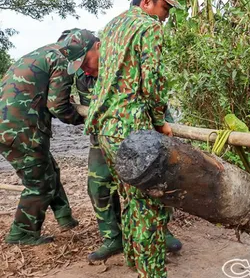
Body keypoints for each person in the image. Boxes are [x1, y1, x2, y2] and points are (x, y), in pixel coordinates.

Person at [84, 0, 189, 278]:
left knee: (129, 199)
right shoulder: (148, 27)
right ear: (147, 2)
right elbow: (153, 81)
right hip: (133, 133)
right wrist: (160, 122)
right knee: (148, 208)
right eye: (165, 8)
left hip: (106, 129)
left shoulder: (113, 25)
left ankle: (135, 259)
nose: (166, 16)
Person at [57, 29, 184, 263]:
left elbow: (154, 95)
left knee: (149, 183)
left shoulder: (124, 65)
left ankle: (160, 232)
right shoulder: (84, 78)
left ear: (98, 46)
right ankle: (112, 237)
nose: (84, 68)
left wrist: (164, 131)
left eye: (85, 61)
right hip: (104, 138)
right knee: (98, 185)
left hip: (141, 135)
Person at [0, 29, 100, 245]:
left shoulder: (45, 53)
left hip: (10, 125)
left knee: (49, 170)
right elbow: (57, 106)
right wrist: (85, 118)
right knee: (39, 183)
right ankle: (22, 234)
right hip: (21, 129)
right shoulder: (62, 60)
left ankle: (65, 219)